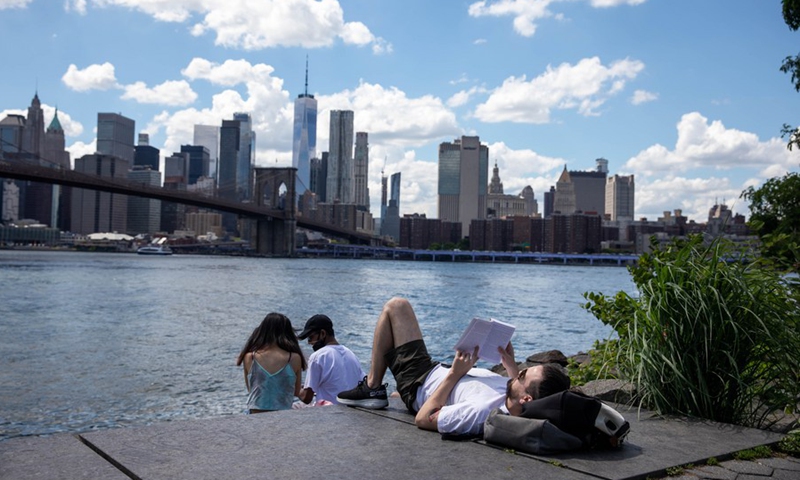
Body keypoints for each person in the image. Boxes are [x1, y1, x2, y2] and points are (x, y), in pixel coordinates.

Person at [336, 297, 571, 436]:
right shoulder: (514, 401)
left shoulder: (481, 412)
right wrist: (510, 365)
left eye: (522, 375)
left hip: (419, 381)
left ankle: (373, 386)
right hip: (436, 371)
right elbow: (515, 396)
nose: (517, 374)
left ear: (527, 399)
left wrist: (455, 374)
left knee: (396, 306)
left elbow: (423, 419)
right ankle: (379, 386)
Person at [236, 312, 307, 413]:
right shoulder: (294, 358)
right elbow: (295, 392)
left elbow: (251, 389)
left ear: (262, 331)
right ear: (288, 333)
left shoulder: (250, 357)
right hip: (283, 415)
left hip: (255, 414)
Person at [296, 314, 365, 405]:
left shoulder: (317, 357)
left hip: (329, 412)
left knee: (295, 406)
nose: (309, 343)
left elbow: (306, 398)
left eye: (310, 338)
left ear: (323, 333)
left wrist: (295, 389)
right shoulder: (351, 354)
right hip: (351, 411)